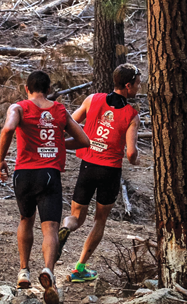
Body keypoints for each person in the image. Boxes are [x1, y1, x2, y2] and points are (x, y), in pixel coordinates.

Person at [0, 70, 90, 304]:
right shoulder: (58, 110)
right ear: (49, 89)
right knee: (50, 228)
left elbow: (8, 129)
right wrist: (58, 142)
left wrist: (1, 160)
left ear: (26, 88)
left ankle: (24, 271)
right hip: (49, 174)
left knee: (25, 219)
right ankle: (48, 271)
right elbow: (84, 140)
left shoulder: (18, 107)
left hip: (23, 174)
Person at [59, 63, 142, 283]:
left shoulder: (91, 99)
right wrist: (137, 158)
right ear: (127, 85)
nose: (139, 88)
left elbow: (70, 122)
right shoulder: (132, 115)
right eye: (137, 84)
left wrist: (76, 141)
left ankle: (65, 227)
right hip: (110, 172)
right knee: (99, 221)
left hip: (87, 166)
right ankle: (80, 268)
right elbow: (131, 154)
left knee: (76, 216)